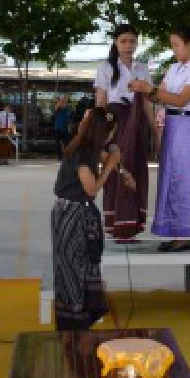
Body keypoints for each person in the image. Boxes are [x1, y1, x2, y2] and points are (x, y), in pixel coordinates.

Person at [136, 25, 190, 252]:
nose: (174, 50)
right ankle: (171, 230)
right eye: (172, 45)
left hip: (186, 124)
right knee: (168, 176)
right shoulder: (174, 68)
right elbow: (162, 93)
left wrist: (150, 89)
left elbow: (180, 100)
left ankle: (185, 233)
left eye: (177, 45)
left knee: (183, 179)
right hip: (171, 122)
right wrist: (144, 89)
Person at [52, 108, 121, 331]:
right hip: (73, 216)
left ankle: (79, 317)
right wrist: (110, 166)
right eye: (111, 134)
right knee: (74, 269)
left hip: (67, 213)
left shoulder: (84, 144)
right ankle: (76, 321)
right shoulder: (83, 154)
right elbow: (91, 190)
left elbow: (107, 152)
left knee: (76, 266)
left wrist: (114, 158)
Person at [95, 24, 156, 239]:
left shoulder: (142, 69)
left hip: (137, 121)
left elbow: (148, 103)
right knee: (117, 169)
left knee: (137, 168)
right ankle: (116, 223)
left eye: (132, 41)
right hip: (116, 121)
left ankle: (133, 224)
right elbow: (101, 101)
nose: (128, 45)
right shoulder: (106, 68)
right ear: (116, 43)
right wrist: (98, 129)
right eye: (124, 41)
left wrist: (156, 131)